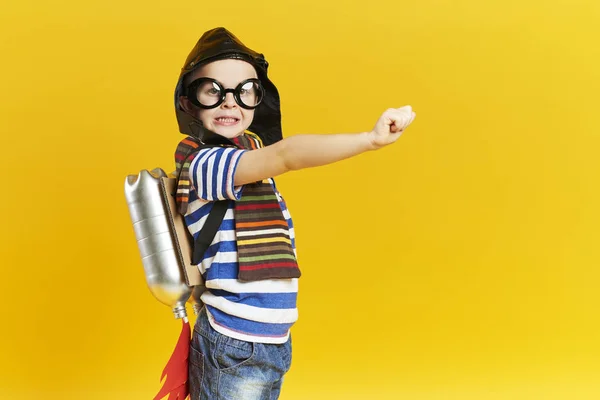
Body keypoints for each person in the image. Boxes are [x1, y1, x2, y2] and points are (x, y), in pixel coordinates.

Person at [173, 27, 416, 400]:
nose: (230, 102)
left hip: (269, 338)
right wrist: (369, 140)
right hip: (236, 341)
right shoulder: (206, 163)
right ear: (189, 103)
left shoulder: (248, 149)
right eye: (213, 90)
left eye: (245, 91)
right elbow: (286, 155)